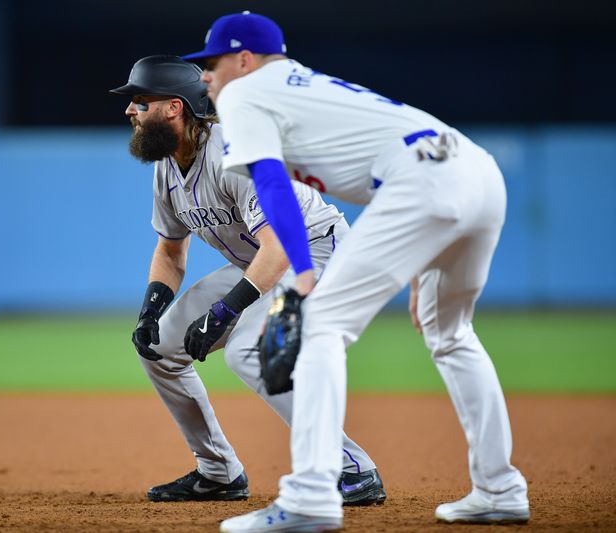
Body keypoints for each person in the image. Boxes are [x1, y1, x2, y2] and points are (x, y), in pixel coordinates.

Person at [181, 12, 530, 532]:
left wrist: (303, 277)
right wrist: (422, 260)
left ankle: (311, 498)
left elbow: (273, 187)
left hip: (424, 183)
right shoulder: (302, 84)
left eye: (210, 62)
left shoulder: (244, 95)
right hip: (474, 169)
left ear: (244, 59)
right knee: (451, 333)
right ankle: (500, 489)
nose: (205, 75)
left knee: (320, 326)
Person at [110, 55, 386, 507]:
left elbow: (279, 246)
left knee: (247, 350)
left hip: (314, 255)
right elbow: (171, 250)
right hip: (259, 262)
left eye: (141, 101)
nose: (130, 111)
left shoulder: (234, 154)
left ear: (175, 108)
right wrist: (151, 309)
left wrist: (226, 311)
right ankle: (218, 473)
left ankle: (351, 468)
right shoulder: (167, 166)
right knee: (159, 347)